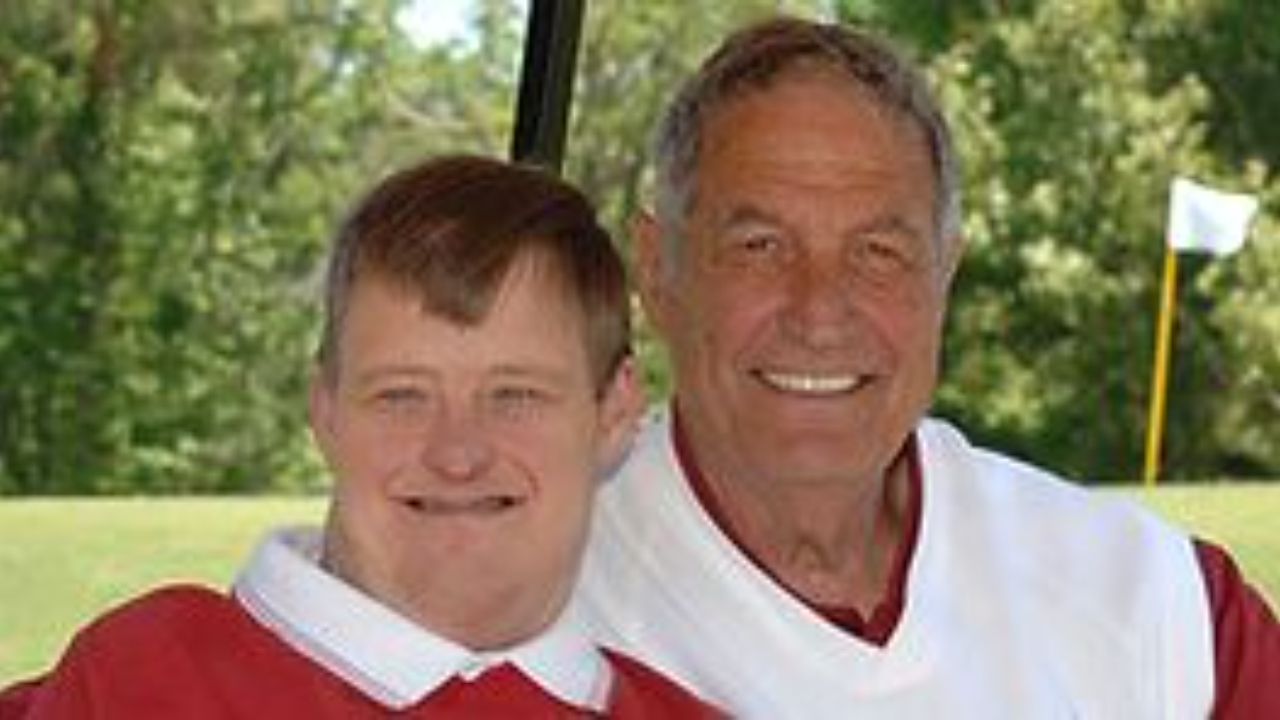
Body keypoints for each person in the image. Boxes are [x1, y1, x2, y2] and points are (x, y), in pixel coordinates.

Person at [573, 15, 1280, 719]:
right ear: (656, 269)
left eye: (879, 253)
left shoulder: (1162, 614)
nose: (820, 313)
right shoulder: (528, 610)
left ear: (945, 275)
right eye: (760, 245)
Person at [2, 155, 722, 718]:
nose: (459, 453)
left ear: (615, 412)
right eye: (402, 396)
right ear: (325, 410)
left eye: (516, 395)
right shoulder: (146, 681)